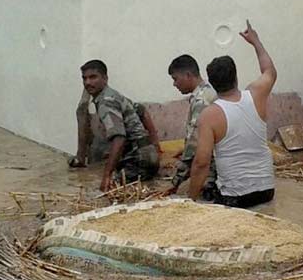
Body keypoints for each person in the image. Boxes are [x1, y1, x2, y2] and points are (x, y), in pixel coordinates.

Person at [189, 21, 276, 208]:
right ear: (236, 77)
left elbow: (201, 163)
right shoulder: (256, 94)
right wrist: (256, 41)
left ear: (211, 83)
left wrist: (190, 201)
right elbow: (269, 71)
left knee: (205, 192)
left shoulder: (209, 114)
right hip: (267, 191)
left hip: (234, 198)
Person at [78, 59, 159, 191]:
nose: (88, 82)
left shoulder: (105, 102)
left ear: (105, 78)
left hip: (139, 161)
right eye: (84, 78)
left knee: (105, 190)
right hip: (148, 157)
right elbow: (142, 110)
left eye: (93, 77)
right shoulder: (113, 95)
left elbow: (119, 138)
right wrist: (155, 145)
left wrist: (107, 175)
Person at [163, 54, 218, 198]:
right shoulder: (207, 90)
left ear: (188, 75)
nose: (174, 84)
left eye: (175, 79)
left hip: (216, 167)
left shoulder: (201, 100)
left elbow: (194, 145)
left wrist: (174, 183)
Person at [69, 88, 160, 168]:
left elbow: (141, 111)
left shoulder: (109, 100)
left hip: (138, 154)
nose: (89, 83)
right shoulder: (98, 103)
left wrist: (155, 143)